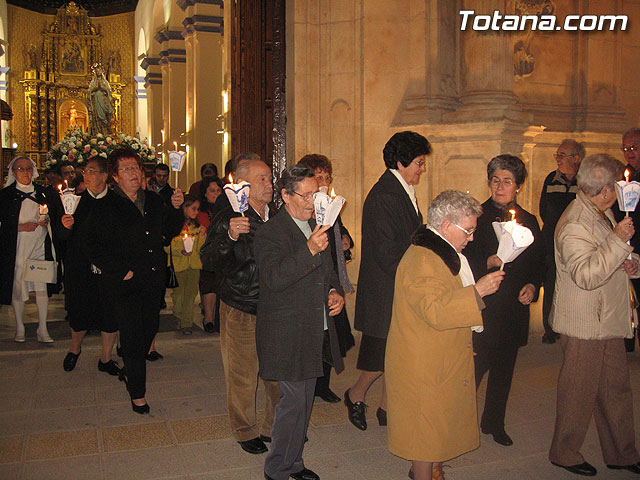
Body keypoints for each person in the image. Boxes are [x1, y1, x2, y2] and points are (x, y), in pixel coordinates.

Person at [387, 190, 505, 480]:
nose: (472, 238)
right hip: (422, 360)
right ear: (446, 226)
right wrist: (478, 292)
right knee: (424, 430)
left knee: (435, 424)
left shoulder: (444, 253)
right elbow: (435, 310)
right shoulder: (424, 260)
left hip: (437, 351)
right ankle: (423, 474)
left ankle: (428, 469)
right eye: (469, 230)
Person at [549, 154, 640, 477]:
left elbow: (609, 255)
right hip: (584, 323)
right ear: (604, 189)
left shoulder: (600, 211)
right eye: (616, 187)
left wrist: (631, 262)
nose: (619, 192)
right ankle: (564, 452)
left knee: (615, 389)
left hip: (608, 318)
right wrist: (618, 240)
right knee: (578, 391)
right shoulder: (575, 223)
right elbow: (586, 275)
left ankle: (621, 452)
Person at [256, 164, 345, 480]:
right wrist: (308, 250)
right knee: (292, 404)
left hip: (312, 326)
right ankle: (277, 468)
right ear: (285, 195)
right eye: (305, 195)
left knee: (304, 403)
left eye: (316, 194)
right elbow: (273, 278)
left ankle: (293, 463)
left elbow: (328, 271)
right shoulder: (271, 232)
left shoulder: (317, 224)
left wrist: (334, 292)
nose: (312, 201)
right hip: (286, 330)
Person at [85, 147, 183, 414]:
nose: (133, 173)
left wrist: (176, 209)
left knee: (149, 328)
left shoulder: (151, 200)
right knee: (131, 333)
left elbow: (169, 231)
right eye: (126, 169)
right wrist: (119, 270)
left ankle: (131, 363)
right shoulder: (105, 205)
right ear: (115, 176)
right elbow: (92, 245)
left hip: (152, 278)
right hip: (124, 282)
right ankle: (137, 391)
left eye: (136, 168)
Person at [346, 131, 431, 431]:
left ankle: (386, 407)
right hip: (386, 288)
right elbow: (385, 251)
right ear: (401, 161)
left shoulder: (401, 188)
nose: (423, 168)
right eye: (419, 162)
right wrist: (416, 275)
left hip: (399, 283)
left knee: (396, 354)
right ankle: (355, 394)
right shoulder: (384, 195)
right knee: (378, 358)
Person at [462, 154, 544, 447]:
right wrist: (487, 259)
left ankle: (494, 422)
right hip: (484, 307)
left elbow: (539, 262)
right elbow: (461, 258)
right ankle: (457, 424)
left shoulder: (529, 221)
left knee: (504, 369)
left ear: (518, 186)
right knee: (473, 370)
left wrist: (533, 285)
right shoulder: (476, 216)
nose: (499, 186)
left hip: (512, 308)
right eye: (495, 180)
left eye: (507, 181)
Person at [202, 158, 281, 455]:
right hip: (242, 305)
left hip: (273, 307)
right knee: (243, 375)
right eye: (262, 179)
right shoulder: (230, 216)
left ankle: (273, 426)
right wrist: (231, 237)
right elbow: (208, 260)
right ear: (244, 184)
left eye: (270, 178)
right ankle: (244, 429)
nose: (269, 184)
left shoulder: (276, 216)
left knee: (275, 373)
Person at [298, 153, 355, 403]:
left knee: (332, 334)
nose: (324, 182)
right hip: (313, 277)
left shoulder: (329, 205)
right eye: (318, 177)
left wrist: (346, 240)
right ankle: (311, 386)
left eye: (326, 177)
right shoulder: (304, 209)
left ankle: (324, 384)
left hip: (332, 277)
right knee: (315, 335)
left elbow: (338, 229)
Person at [57, 156, 120, 374]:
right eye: (85, 171)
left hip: (107, 268)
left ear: (105, 175)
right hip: (80, 267)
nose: (86, 175)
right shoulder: (74, 201)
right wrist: (66, 227)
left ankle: (105, 358)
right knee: (79, 310)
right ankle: (75, 349)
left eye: (92, 171)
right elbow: (62, 237)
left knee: (109, 312)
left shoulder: (117, 202)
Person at [0, 156, 58, 343]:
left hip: (39, 246)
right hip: (17, 248)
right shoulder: (6, 196)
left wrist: (46, 221)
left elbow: (53, 215)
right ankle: (20, 327)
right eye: (20, 169)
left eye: (28, 168)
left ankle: (42, 328)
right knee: (19, 287)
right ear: (14, 172)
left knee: (41, 286)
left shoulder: (42, 193)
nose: (25, 172)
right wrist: (19, 227)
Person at [539, 139, 584, 344]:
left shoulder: (584, 181)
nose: (558, 159)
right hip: (551, 239)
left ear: (576, 158)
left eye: (562, 155)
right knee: (551, 281)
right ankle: (550, 328)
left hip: (576, 241)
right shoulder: (551, 179)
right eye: (557, 155)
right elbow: (543, 209)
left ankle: (573, 324)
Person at [614, 127, 640, 352]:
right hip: (628, 243)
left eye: (634, 147)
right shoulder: (623, 175)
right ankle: (627, 342)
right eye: (625, 148)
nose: (629, 152)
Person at [166, 195, 205, 335]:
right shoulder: (175, 227)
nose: (196, 212)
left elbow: (201, 248)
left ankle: (187, 323)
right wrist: (180, 250)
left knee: (190, 295)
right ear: (184, 208)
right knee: (178, 295)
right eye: (193, 208)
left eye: (197, 209)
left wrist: (202, 237)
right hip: (178, 266)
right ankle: (178, 315)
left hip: (194, 266)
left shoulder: (198, 228)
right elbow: (166, 246)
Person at [197, 175, 224, 333]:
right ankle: (208, 318)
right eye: (212, 191)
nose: (215, 193)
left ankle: (217, 317)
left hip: (222, 252)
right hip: (206, 252)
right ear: (205, 193)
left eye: (218, 190)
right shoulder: (200, 211)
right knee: (208, 283)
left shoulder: (226, 209)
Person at [88, 65, 113, 135]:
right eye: (97, 71)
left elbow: (109, 93)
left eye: (100, 70)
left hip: (103, 102)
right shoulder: (93, 83)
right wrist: (95, 89)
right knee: (96, 117)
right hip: (96, 103)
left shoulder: (105, 83)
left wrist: (103, 88)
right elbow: (90, 93)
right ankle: (97, 131)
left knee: (104, 117)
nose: (98, 72)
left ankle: (105, 131)